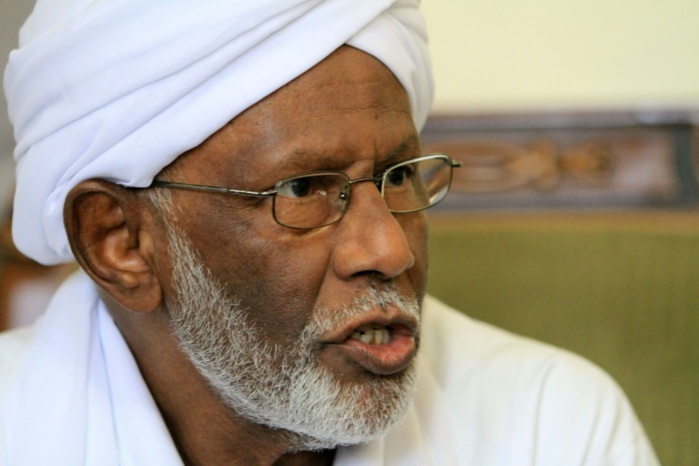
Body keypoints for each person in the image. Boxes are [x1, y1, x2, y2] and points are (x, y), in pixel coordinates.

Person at [0, 1, 659, 465]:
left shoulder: (547, 426)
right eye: (301, 191)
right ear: (121, 243)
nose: (390, 250)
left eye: (400, 176)